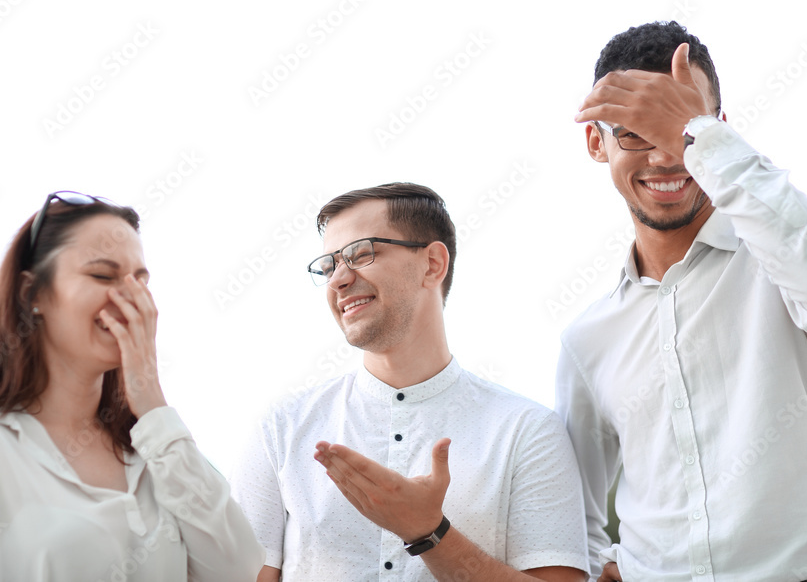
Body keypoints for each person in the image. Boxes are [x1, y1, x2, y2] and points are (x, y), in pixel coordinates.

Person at [558, 21, 807, 581]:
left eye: (680, 130)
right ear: (596, 142)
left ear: (718, 132)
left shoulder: (804, 243)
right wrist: (600, 562)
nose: (665, 156)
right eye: (634, 133)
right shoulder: (587, 339)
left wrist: (701, 140)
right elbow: (573, 509)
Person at [231, 182, 590, 581]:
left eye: (360, 253)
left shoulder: (526, 430)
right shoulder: (281, 428)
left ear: (433, 264)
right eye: (329, 266)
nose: (338, 280)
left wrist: (430, 533)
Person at [0, 191, 264, 582]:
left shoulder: (155, 447)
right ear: (33, 294)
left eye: (140, 280)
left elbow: (239, 572)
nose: (131, 297)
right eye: (102, 275)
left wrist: (151, 403)